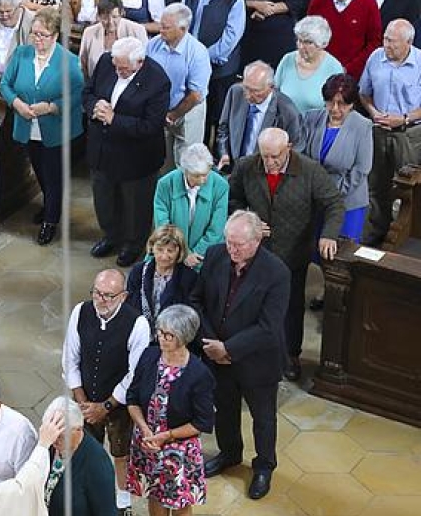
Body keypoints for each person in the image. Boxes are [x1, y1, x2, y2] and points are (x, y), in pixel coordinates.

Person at [228, 127, 345, 382]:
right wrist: (250, 220)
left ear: (288, 148)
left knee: (291, 308)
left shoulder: (310, 170)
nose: (269, 163)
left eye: (275, 157)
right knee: (252, 303)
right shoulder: (247, 166)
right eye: (265, 156)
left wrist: (328, 235)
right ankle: (253, 352)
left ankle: (290, 355)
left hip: (293, 253)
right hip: (257, 253)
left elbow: (334, 203)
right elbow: (232, 198)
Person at [192, 211, 290, 500]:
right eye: (228, 242)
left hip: (256, 361)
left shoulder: (277, 272)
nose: (231, 250)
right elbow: (197, 301)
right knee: (225, 410)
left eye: (239, 244)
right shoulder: (214, 255)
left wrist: (230, 349)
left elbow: (269, 327)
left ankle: (264, 466)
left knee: (263, 418)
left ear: (257, 240)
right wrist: (211, 343)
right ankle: (230, 454)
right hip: (215, 355)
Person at [126, 304, 214, 516]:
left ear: (184, 337)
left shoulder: (199, 374)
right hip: (148, 441)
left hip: (178, 448)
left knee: (179, 501)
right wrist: (143, 429)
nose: (162, 339)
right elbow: (131, 397)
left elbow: (202, 423)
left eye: (169, 335)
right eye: (161, 332)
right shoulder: (150, 357)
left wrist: (165, 436)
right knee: (154, 494)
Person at [61, 269, 151, 516]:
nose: (101, 300)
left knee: (120, 455)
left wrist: (107, 406)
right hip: (85, 398)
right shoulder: (81, 312)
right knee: (84, 451)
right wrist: (83, 402)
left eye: (109, 296)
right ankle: (88, 500)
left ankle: (122, 505)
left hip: (120, 404)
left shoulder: (138, 324)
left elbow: (135, 373)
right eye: (97, 293)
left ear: (123, 296)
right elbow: (70, 358)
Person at [83, 36, 172, 266]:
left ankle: (133, 245)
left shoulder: (157, 81)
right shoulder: (106, 62)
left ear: (140, 62)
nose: (118, 71)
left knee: (135, 207)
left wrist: (114, 119)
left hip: (136, 158)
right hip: (102, 151)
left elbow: (151, 126)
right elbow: (88, 91)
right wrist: (95, 106)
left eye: (123, 68)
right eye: (116, 66)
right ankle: (111, 236)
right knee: (104, 200)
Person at [0, 8, 85, 246]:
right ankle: (50, 205)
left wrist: (50, 107)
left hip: (55, 128)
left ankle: (50, 221)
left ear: (55, 36)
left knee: (53, 175)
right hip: (28, 126)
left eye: (43, 35)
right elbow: (5, 84)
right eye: (34, 34)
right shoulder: (22, 54)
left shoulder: (68, 61)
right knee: (38, 169)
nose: (37, 39)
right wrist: (17, 104)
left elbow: (77, 94)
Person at [299, 74, 373, 310]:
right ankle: (324, 285)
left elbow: (362, 169)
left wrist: (330, 194)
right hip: (313, 196)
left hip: (347, 200)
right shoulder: (312, 118)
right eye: (331, 102)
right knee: (317, 250)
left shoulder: (363, 126)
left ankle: (337, 299)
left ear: (352, 104)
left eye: (343, 103)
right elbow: (300, 156)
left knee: (339, 254)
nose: (336, 109)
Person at [358, 18, 421, 247]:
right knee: (376, 184)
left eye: (392, 42)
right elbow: (364, 92)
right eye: (385, 39)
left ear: (408, 42)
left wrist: (403, 118)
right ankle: (375, 234)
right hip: (378, 131)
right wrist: (373, 111)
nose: (387, 45)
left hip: (409, 134)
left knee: (409, 188)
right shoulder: (375, 57)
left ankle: (406, 238)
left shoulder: (420, 62)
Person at [180, 0, 246, 138]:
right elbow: (182, 21)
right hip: (191, 65)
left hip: (219, 70)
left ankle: (218, 157)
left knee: (217, 118)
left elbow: (230, 39)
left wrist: (200, 57)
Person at [147, 2, 212, 166]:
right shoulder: (153, 44)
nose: (161, 30)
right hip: (161, 109)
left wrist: (173, 115)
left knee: (187, 161)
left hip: (189, 110)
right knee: (163, 159)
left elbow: (195, 95)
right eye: (161, 26)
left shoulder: (197, 52)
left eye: (166, 27)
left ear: (183, 29)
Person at [215, 60, 303, 170]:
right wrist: (224, 154)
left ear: (271, 87)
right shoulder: (235, 92)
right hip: (233, 169)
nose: (247, 95)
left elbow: (295, 149)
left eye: (255, 91)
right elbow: (223, 129)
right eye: (246, 87)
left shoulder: (288, 111)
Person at [153, 143, 229, 266]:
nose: (202, 180)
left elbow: (216, 229)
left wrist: (196, 254)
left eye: (205, 174)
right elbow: (163, 225)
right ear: (185, 171)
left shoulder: (221, 186)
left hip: (205, 256)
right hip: (171, 251)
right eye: (196, 176)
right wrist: (184, 253)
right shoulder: (165, 184)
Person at [305, 0, 382, 79]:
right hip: (320, 71)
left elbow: (374, 42)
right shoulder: (318, 2)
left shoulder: (369, 4)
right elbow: (308, 36)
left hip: (354, 75)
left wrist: (349, 69)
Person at [124, 225, 200, 335]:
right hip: (140, 332)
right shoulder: (138, 271)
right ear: (152, 248)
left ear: (179, 252)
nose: (164, 256)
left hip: (173, 335)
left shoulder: (189, 278)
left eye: (170, 251)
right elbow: (129, 306)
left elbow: (189, 315)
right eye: (160, 249)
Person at [274, 16, 346, 112]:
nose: (301, 46)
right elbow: (274, 95)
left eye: (308, 42)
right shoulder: (287, 59)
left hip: (316, 125)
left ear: (322, 44)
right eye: (299, 40)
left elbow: (336, 109)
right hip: (284, 123)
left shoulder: (334, 68)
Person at [78, 0, 148, 77]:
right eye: (105, 18)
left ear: (122, 13)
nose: (110, 22)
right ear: (98, 16)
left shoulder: (137, 30)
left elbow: (144, 64)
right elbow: (83, 65)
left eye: (115, 17)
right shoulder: (89, 33)